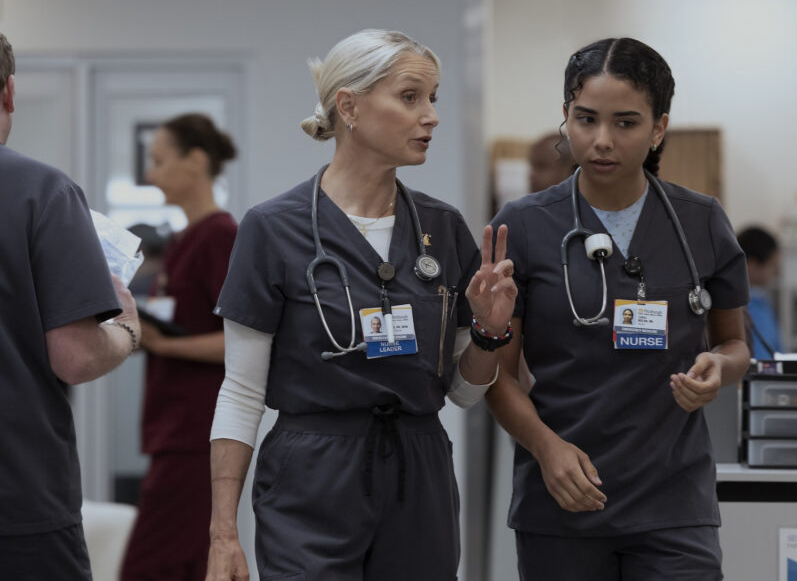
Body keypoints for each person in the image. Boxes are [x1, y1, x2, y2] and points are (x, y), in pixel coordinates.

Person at [204, 29, 516, 581]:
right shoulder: (273, 229)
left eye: (434, 98)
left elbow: (465, 394)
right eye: (410, 96)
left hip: (419, 469)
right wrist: (223, 533)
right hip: (313, 469)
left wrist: (492, 333)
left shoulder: (443, 229)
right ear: (348, 106)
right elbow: (242, 391)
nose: (431, 117)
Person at [487, 38, 750, 581]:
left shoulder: (700, 222)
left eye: (626, 123)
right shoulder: (526, 225)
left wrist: (719, 370)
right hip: (562, 495)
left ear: (659, 128)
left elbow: (734, 344)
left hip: (674, 502)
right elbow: (496, 373)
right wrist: (546, 447)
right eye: (586, 119)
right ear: (566, 117)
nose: (602, 141)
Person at [0, 32, 140, 580]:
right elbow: (76, 357)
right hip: (17, 499)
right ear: (9, 92)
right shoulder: (40, 192)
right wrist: (127, 329)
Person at [119, 114, 239, 581]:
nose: (150, 175)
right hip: (172, 431)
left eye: (159, 161)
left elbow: (241, 343)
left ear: (195, 161)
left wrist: (163, 346)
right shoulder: (182, 241)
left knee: (150, 567)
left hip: (197, 437)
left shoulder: (220, 237)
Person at [737, 226, 784, 359]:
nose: (775, 273)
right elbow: (762, 358)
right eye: (772, 266)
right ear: (751, 265)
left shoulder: (761, 300)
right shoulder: (750, 306)